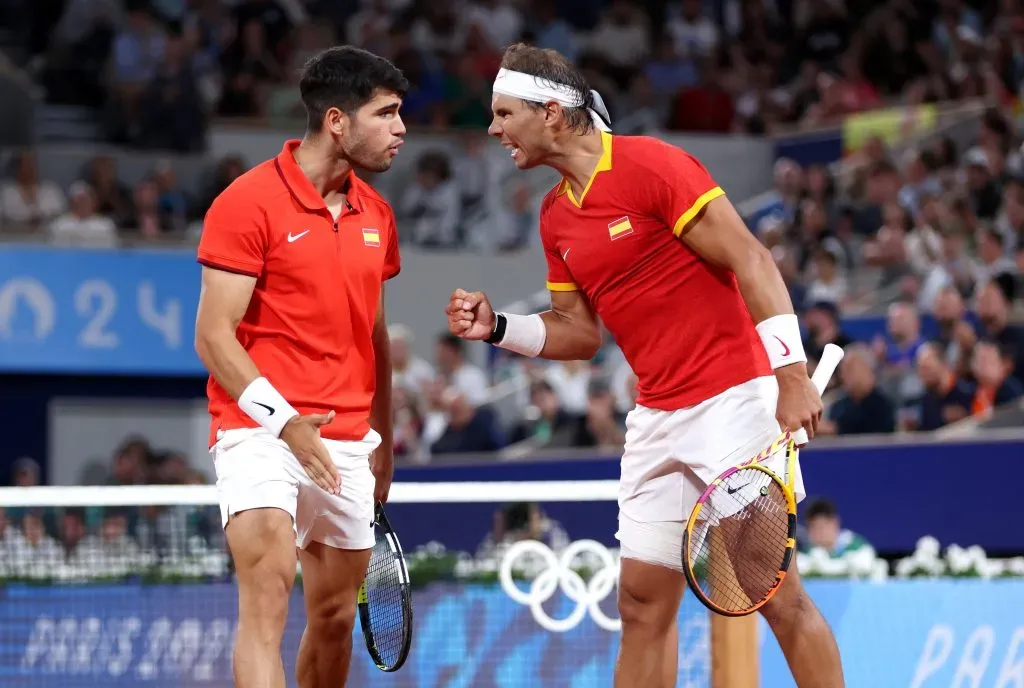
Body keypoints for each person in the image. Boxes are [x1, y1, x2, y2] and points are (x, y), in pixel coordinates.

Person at [444, 44, 844, 688]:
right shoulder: (553, 218)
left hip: (733, 401)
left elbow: (753, 259)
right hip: (657, 415)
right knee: (638, 602)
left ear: (551, 112)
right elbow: (577, 334)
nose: (492, 128)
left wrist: (790, 375)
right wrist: (498, 329)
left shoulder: (654, 164)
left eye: (503, 113)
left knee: (776, 596)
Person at [193, 46, 407, 688]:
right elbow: (212, 336)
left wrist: (385, 445)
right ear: (337, 120)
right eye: (387, 113)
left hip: (346, 443)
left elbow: (374, 339)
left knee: (336, 617)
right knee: (265, 598)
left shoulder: (378, 216)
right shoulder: (248, 201)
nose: (401, 129)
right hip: (259, 433)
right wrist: (285, 423)